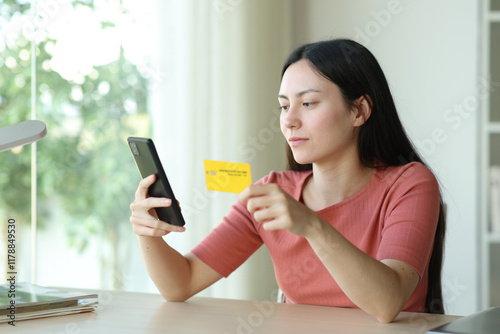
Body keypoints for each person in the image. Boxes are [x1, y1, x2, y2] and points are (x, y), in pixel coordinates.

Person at [129, 38, 446, 323]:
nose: (289, 120)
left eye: (308, 103)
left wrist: (312, 226)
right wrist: (148, 233)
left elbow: (386, 303)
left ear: (359, 111)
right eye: (283, 106)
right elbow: (180, 284)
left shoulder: (410, 184)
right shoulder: (275, 191)